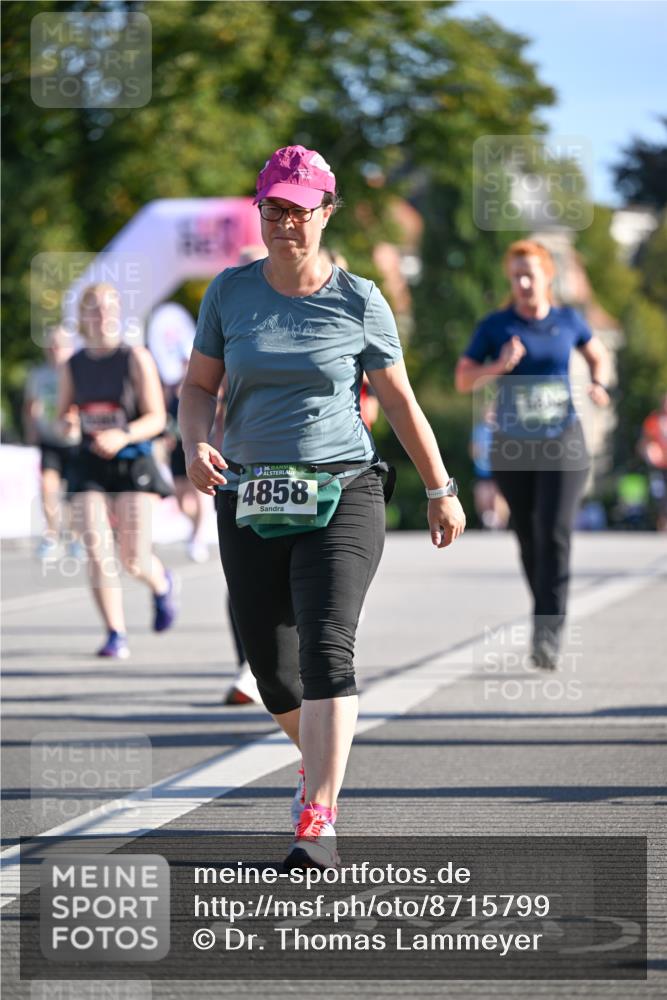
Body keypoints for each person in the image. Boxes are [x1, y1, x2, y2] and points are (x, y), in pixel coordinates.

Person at [179, 144, 466, 870]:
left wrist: (440, 489)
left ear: (325, 213)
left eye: (301, 211)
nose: (286, 225)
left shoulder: (359, 298)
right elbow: (197, 389)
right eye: (274, 210)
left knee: (326, 646)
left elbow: (398, 400)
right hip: (250, 491)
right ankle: (318, 760)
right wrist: (191, 445)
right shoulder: (229, 293)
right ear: (260, 212)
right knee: (273, 674)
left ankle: (318, 817)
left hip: (343, 489)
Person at [456, 240, 610, 669]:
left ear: (547, 277)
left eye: (530, 275)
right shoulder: (496, 326)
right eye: (516, 276)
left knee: (555, 532)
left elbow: (597, 354)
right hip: (512, 444)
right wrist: (497, 366)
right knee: (528, 535)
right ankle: (545, 613)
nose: (523, 283)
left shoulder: (568, 320)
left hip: (563, 439)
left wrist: (600, 384)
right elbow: (463, 379)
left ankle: (548, 632)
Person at [57, 283, 177, 659]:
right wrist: (70, 424)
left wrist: (122, 435)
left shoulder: (135, 357)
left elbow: (157, 418)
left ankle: (161, 583)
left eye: (109, 306)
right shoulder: (72, 364)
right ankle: (115, 632)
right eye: (93, 307)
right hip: (90, 461)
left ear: (119, 312)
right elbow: (65, 414)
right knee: (96, 547)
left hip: (132, 459)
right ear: (83, 317)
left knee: (132, 558)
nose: (102, 313)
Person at [23, 325, 80, 558]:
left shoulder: (78, 371)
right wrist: (32, 432)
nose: (56, 349)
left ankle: (76, 538)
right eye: (52, 345)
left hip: (75, 441)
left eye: (61, 344)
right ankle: (52, 535)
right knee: (48, 486)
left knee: (75, 494)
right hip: (50, 440)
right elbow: (31, 406)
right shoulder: (39, 375)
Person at [638, 393, 667, 531]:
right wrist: (648, 451)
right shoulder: (653, 420)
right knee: (659, 493)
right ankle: (661, 520)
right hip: (658, 465)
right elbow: (644, 441)